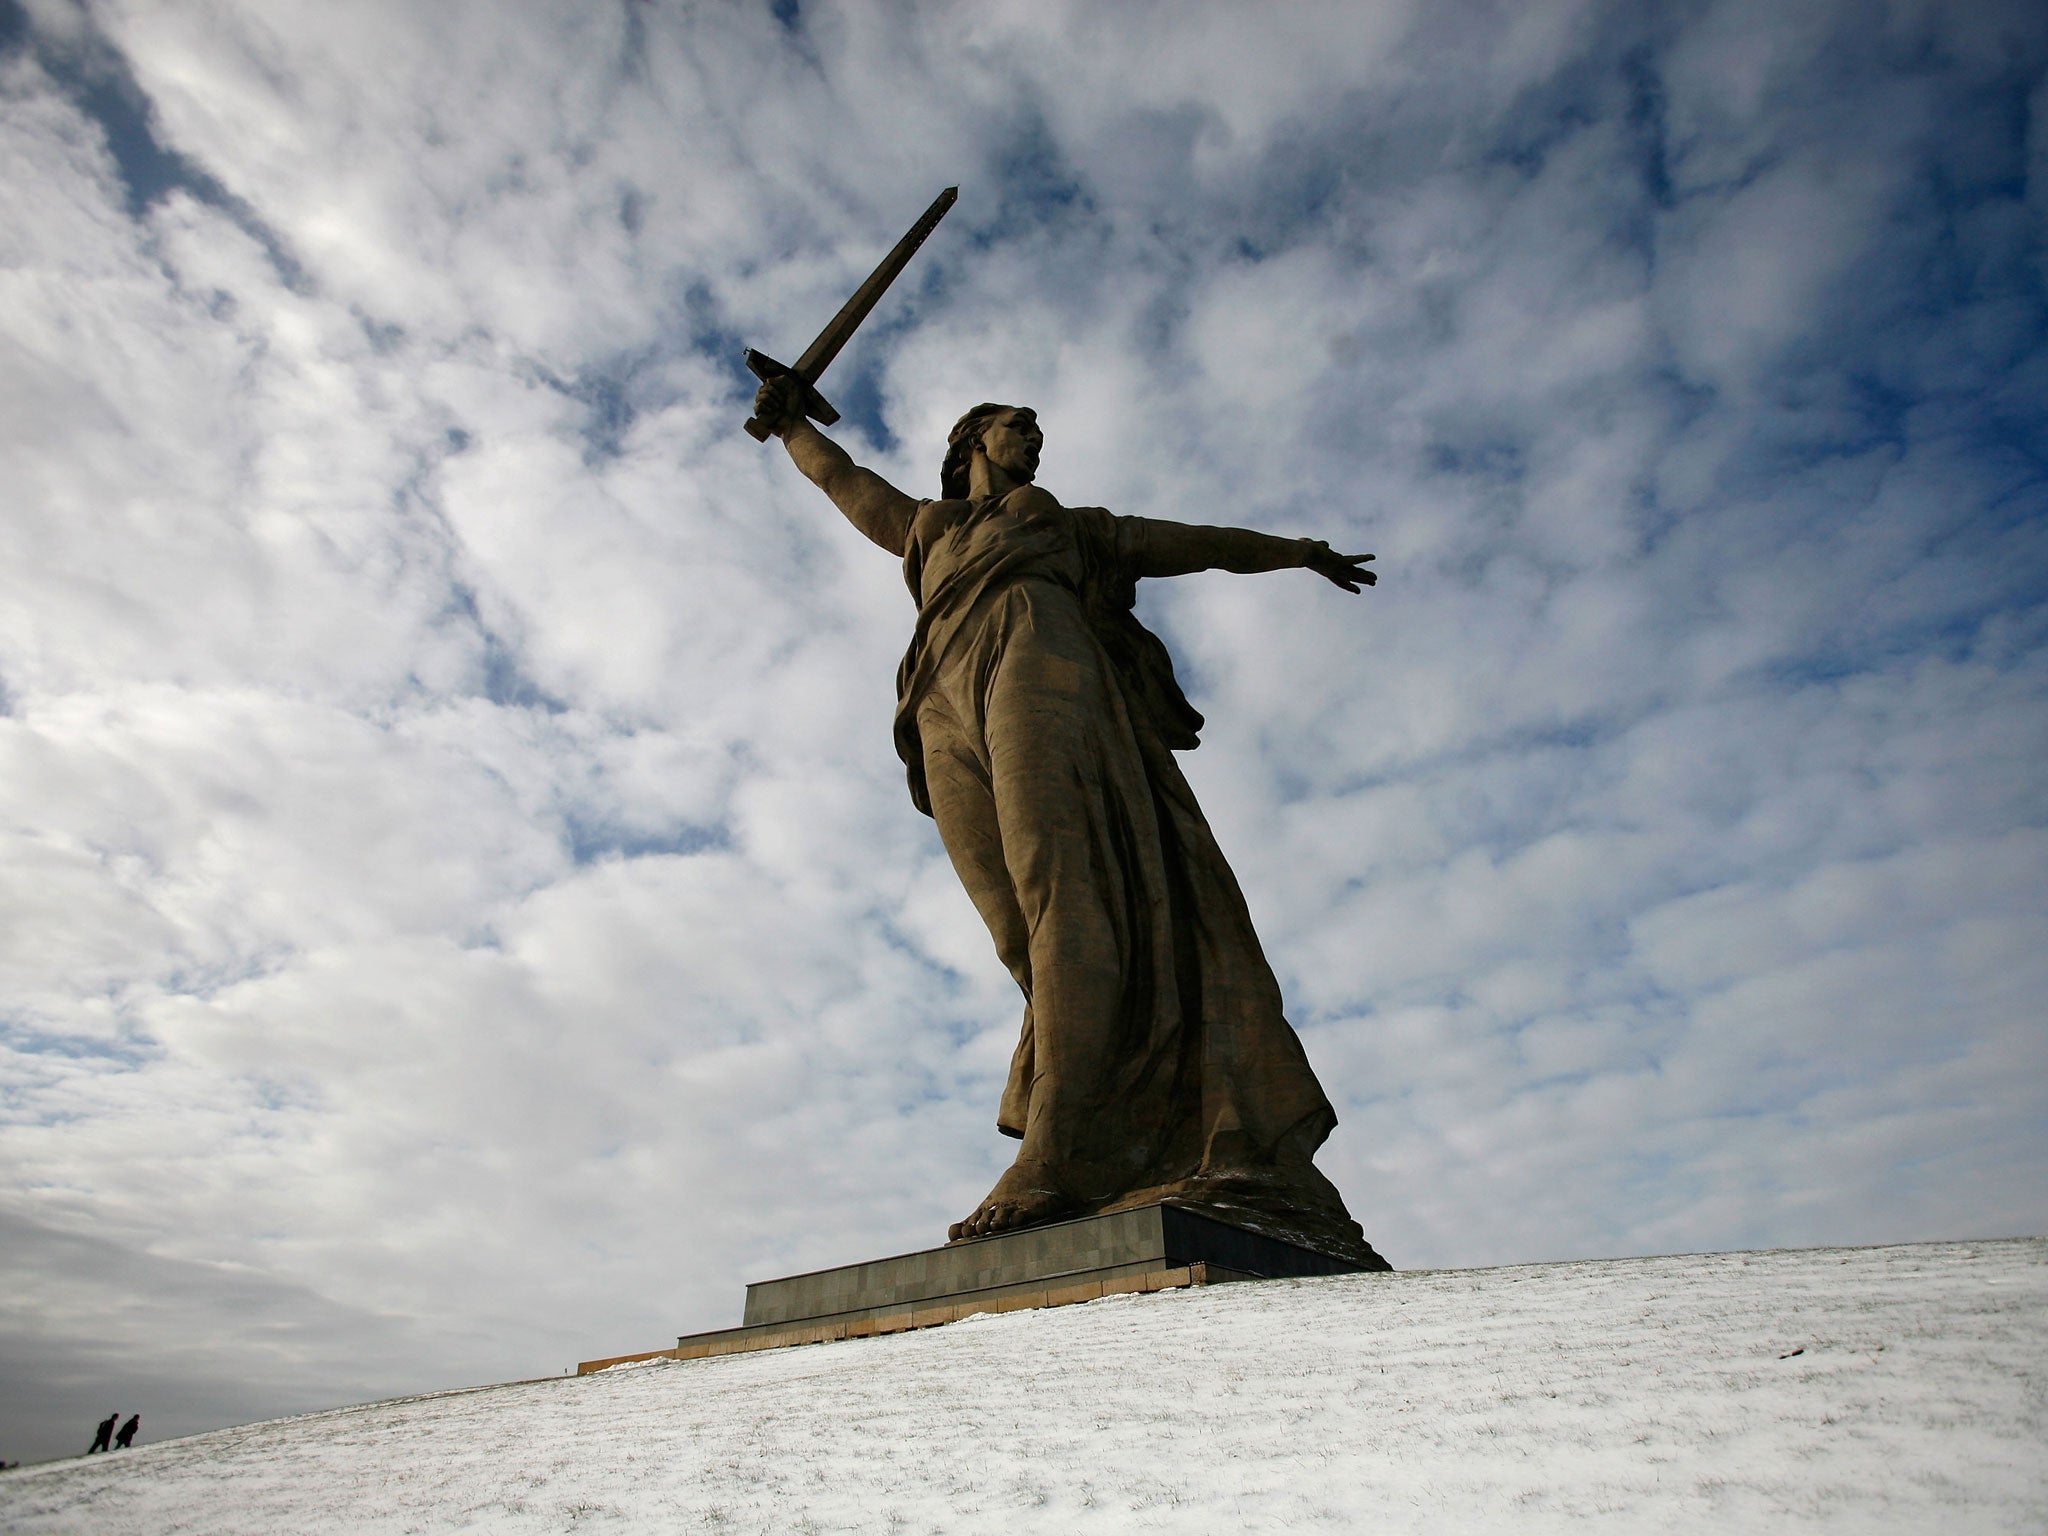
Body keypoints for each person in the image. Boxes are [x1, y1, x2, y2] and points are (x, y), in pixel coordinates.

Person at [754, 381, 1387, 1265]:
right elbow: (846, 482)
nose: (1036, 443)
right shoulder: (929, 529)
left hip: (1037, 650)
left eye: (1040, 433)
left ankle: (1052, 1155)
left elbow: (1191, 543)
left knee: (1062, 889)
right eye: (1021, 428)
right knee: (1016, 930)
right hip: (937, 695)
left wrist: (1297, 552)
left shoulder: (1066, 525)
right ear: (973, 437)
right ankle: (1106, 1118)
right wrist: (787, 423)